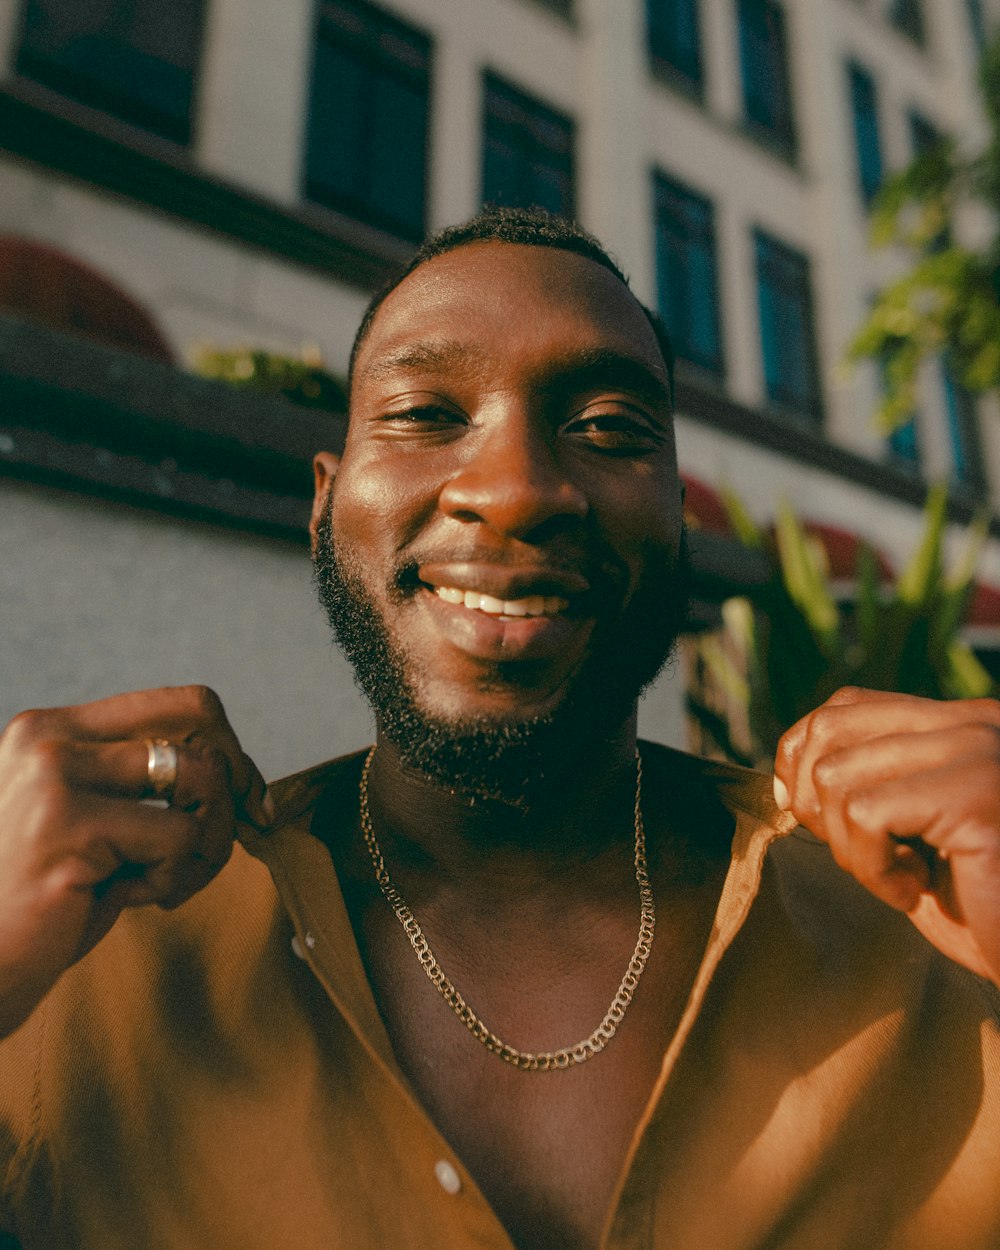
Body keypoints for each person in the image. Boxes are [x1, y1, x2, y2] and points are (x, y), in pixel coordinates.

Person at [0, 208, 998, 1250]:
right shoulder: (86, 956)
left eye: (609, 427)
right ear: (324, 506)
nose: (515, 490)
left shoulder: (933, 922)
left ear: (676, 520)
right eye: (427, 411)